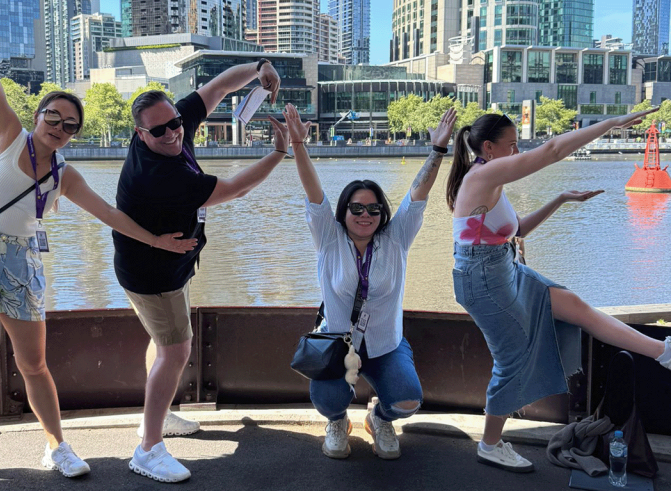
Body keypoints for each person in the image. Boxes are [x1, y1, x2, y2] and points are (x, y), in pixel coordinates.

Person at [0, 2, 198, 489]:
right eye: (53, 118)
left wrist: (159, 243)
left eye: (69, 126)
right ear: (38, 116)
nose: (58, 128)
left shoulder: (65, 175)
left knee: (34, 363)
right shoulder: (6, 135)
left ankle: (56, 444)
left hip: (23, 264)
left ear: (74, 135)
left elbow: (112, 217)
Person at [447, 108, 671, 473]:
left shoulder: (489, 179)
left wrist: (562, 198)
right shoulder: (483, 176)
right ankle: (490, 444)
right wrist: (610, 124)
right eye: (513, 144)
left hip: (503, 269)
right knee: (511, 359)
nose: (519, 151)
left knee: (575, 306)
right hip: (483, 280)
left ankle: (663, 351)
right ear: (488, 147)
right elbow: (551, 151)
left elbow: (518, 229)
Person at [113, 58, 287, 482]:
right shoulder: (160, 174)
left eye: (175, 122)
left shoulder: (170, 127)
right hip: (155, 276)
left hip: (164, 263)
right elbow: (235, 189)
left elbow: (215, 89)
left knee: (164, 342)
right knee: (176, 350)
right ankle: (149, 447)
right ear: (140, 133)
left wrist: (259, 68)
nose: (173, 133)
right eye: (159, 130)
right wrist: (281, 152)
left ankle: (161, 416)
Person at [279, 103, 458, 460]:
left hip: (385, 345)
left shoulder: (396, 239)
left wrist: (438, 149)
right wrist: (299, 145)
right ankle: (337, 420)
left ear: (383, 214)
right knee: (327, 398)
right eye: (356, 208)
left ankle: (378, 418)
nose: (365, 215)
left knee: (408, 400)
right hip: (338, 346)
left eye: (373, 209)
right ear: (343, 212)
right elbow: (314, 192)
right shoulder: (328, 238)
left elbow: (417, 194)